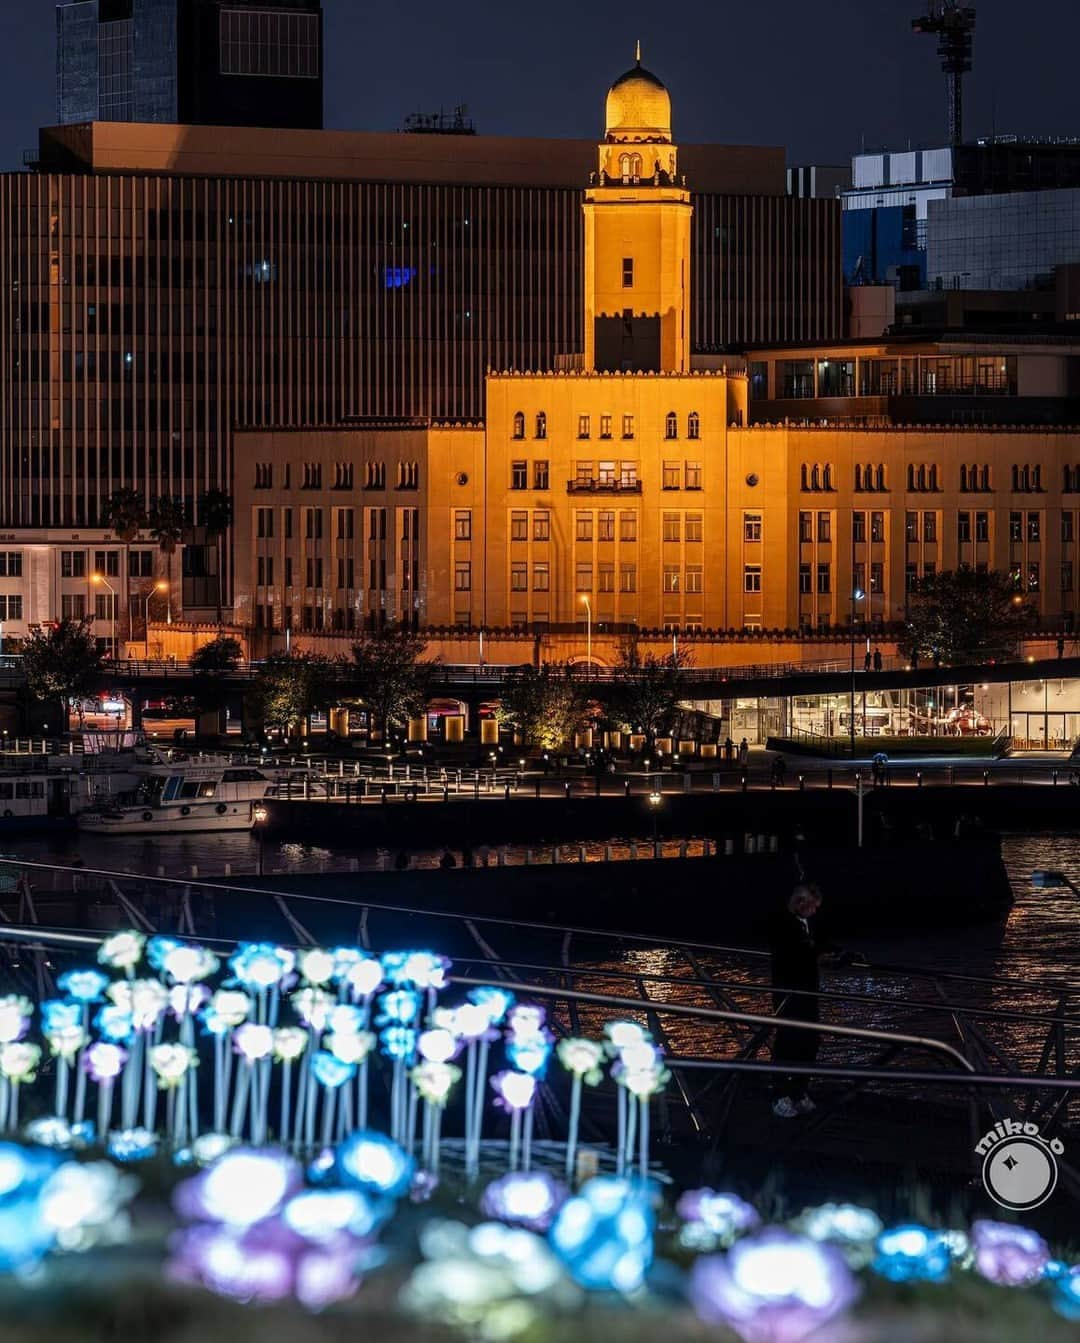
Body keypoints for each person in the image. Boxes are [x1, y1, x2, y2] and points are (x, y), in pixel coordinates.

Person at [768, 883, 825, 1118]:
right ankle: (782, 1093)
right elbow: (798, 954)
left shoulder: (801, 925)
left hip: (805, 992)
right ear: (801, 904)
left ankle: (798, 1090)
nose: (815, 911)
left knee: (809, 1041)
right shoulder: (786, 926)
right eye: (812, 907)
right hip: (791, 993)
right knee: (789, 1041)